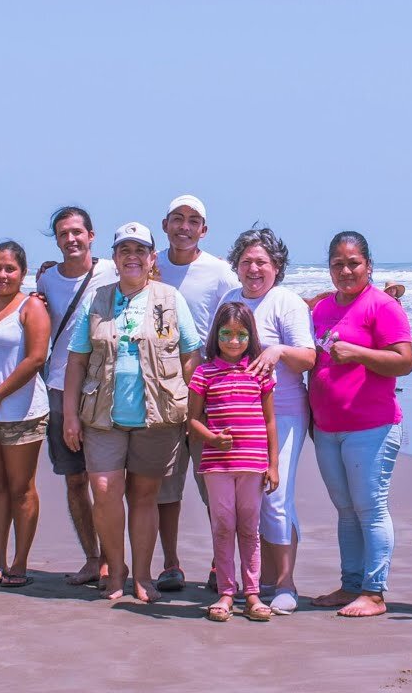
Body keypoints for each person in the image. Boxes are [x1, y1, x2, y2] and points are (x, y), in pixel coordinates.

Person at [62, 222, 201, 603]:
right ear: (115, 257)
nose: (133, 257)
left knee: (144, 496)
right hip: (102, 415)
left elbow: (191, 356)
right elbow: (75, 362)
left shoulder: (169, 298)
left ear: (152, 258)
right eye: (125, 250)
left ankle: (141, 576)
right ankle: (115, 571)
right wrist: (70, 416)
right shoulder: (98, 299)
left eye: (140, 250)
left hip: (157, 417)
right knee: (104, 491)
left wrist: (188, 407)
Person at [309, 231, 412, 617]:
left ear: (368, 265)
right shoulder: (321, 310)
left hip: (372, 425)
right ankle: (351, 584)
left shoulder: (382, 306)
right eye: (338, 263)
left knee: (370, 507)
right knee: (345, 509)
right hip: (326, 426)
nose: (346, 270)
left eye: (354, 262)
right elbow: (314, 366)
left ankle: (375, 591)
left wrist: (357, 353)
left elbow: (404, 361)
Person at [218, 228, 315, 614]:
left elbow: (308, 357)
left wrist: (277, 350)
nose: (253, 269)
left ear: (277, 267)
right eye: (246, 262)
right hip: (238, 415)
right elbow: (218, 350)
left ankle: (286, 583)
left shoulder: (286, 302)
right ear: (236, 267)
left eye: (262, 262)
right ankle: (256, 582)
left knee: (275, 498)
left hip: (285, 412)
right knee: (246, 502)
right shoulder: (230, 299)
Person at [153, 194, 239, 592]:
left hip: (210, 391)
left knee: (215, 486)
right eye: (177, 219)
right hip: (161, 391)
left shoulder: (221, 273)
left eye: (193, 221)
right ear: (165, 223)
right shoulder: (150, 266)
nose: (184, 227)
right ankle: (170, 563)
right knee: (166, 485)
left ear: (203, 230)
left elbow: (246, 317)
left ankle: (217, 564)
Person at [35, 207, 118, 586]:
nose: (71, 239)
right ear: (56, 240)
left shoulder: (113, 271)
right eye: (63, 234)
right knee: (74, 479)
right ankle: (92, 558)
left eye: (77, 232)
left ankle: (115, 559)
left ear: (91, 235)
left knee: (110, 479)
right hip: (58, 386)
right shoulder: (47, 279)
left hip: (106, 387)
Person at [187, 302, 279, 622]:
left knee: (249, 527)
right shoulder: (204, 372)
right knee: (223, 526)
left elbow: (270, 421)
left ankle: (252, 593)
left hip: (253, 462)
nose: (234, 341)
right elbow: (192, 421)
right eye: (226, 333)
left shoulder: (260, 371)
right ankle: (226, 591)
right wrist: (212, 439)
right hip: (217, 464)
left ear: (250, 336)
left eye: (241, 335)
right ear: (216, 334)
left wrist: (274, 464)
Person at [0, 241, 51, 587]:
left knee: (21, 488)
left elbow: (35, 358)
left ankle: (20, 562)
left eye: (10, 269)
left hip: (22, 410)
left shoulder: (31, 307)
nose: (2, 275)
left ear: (21, 273)